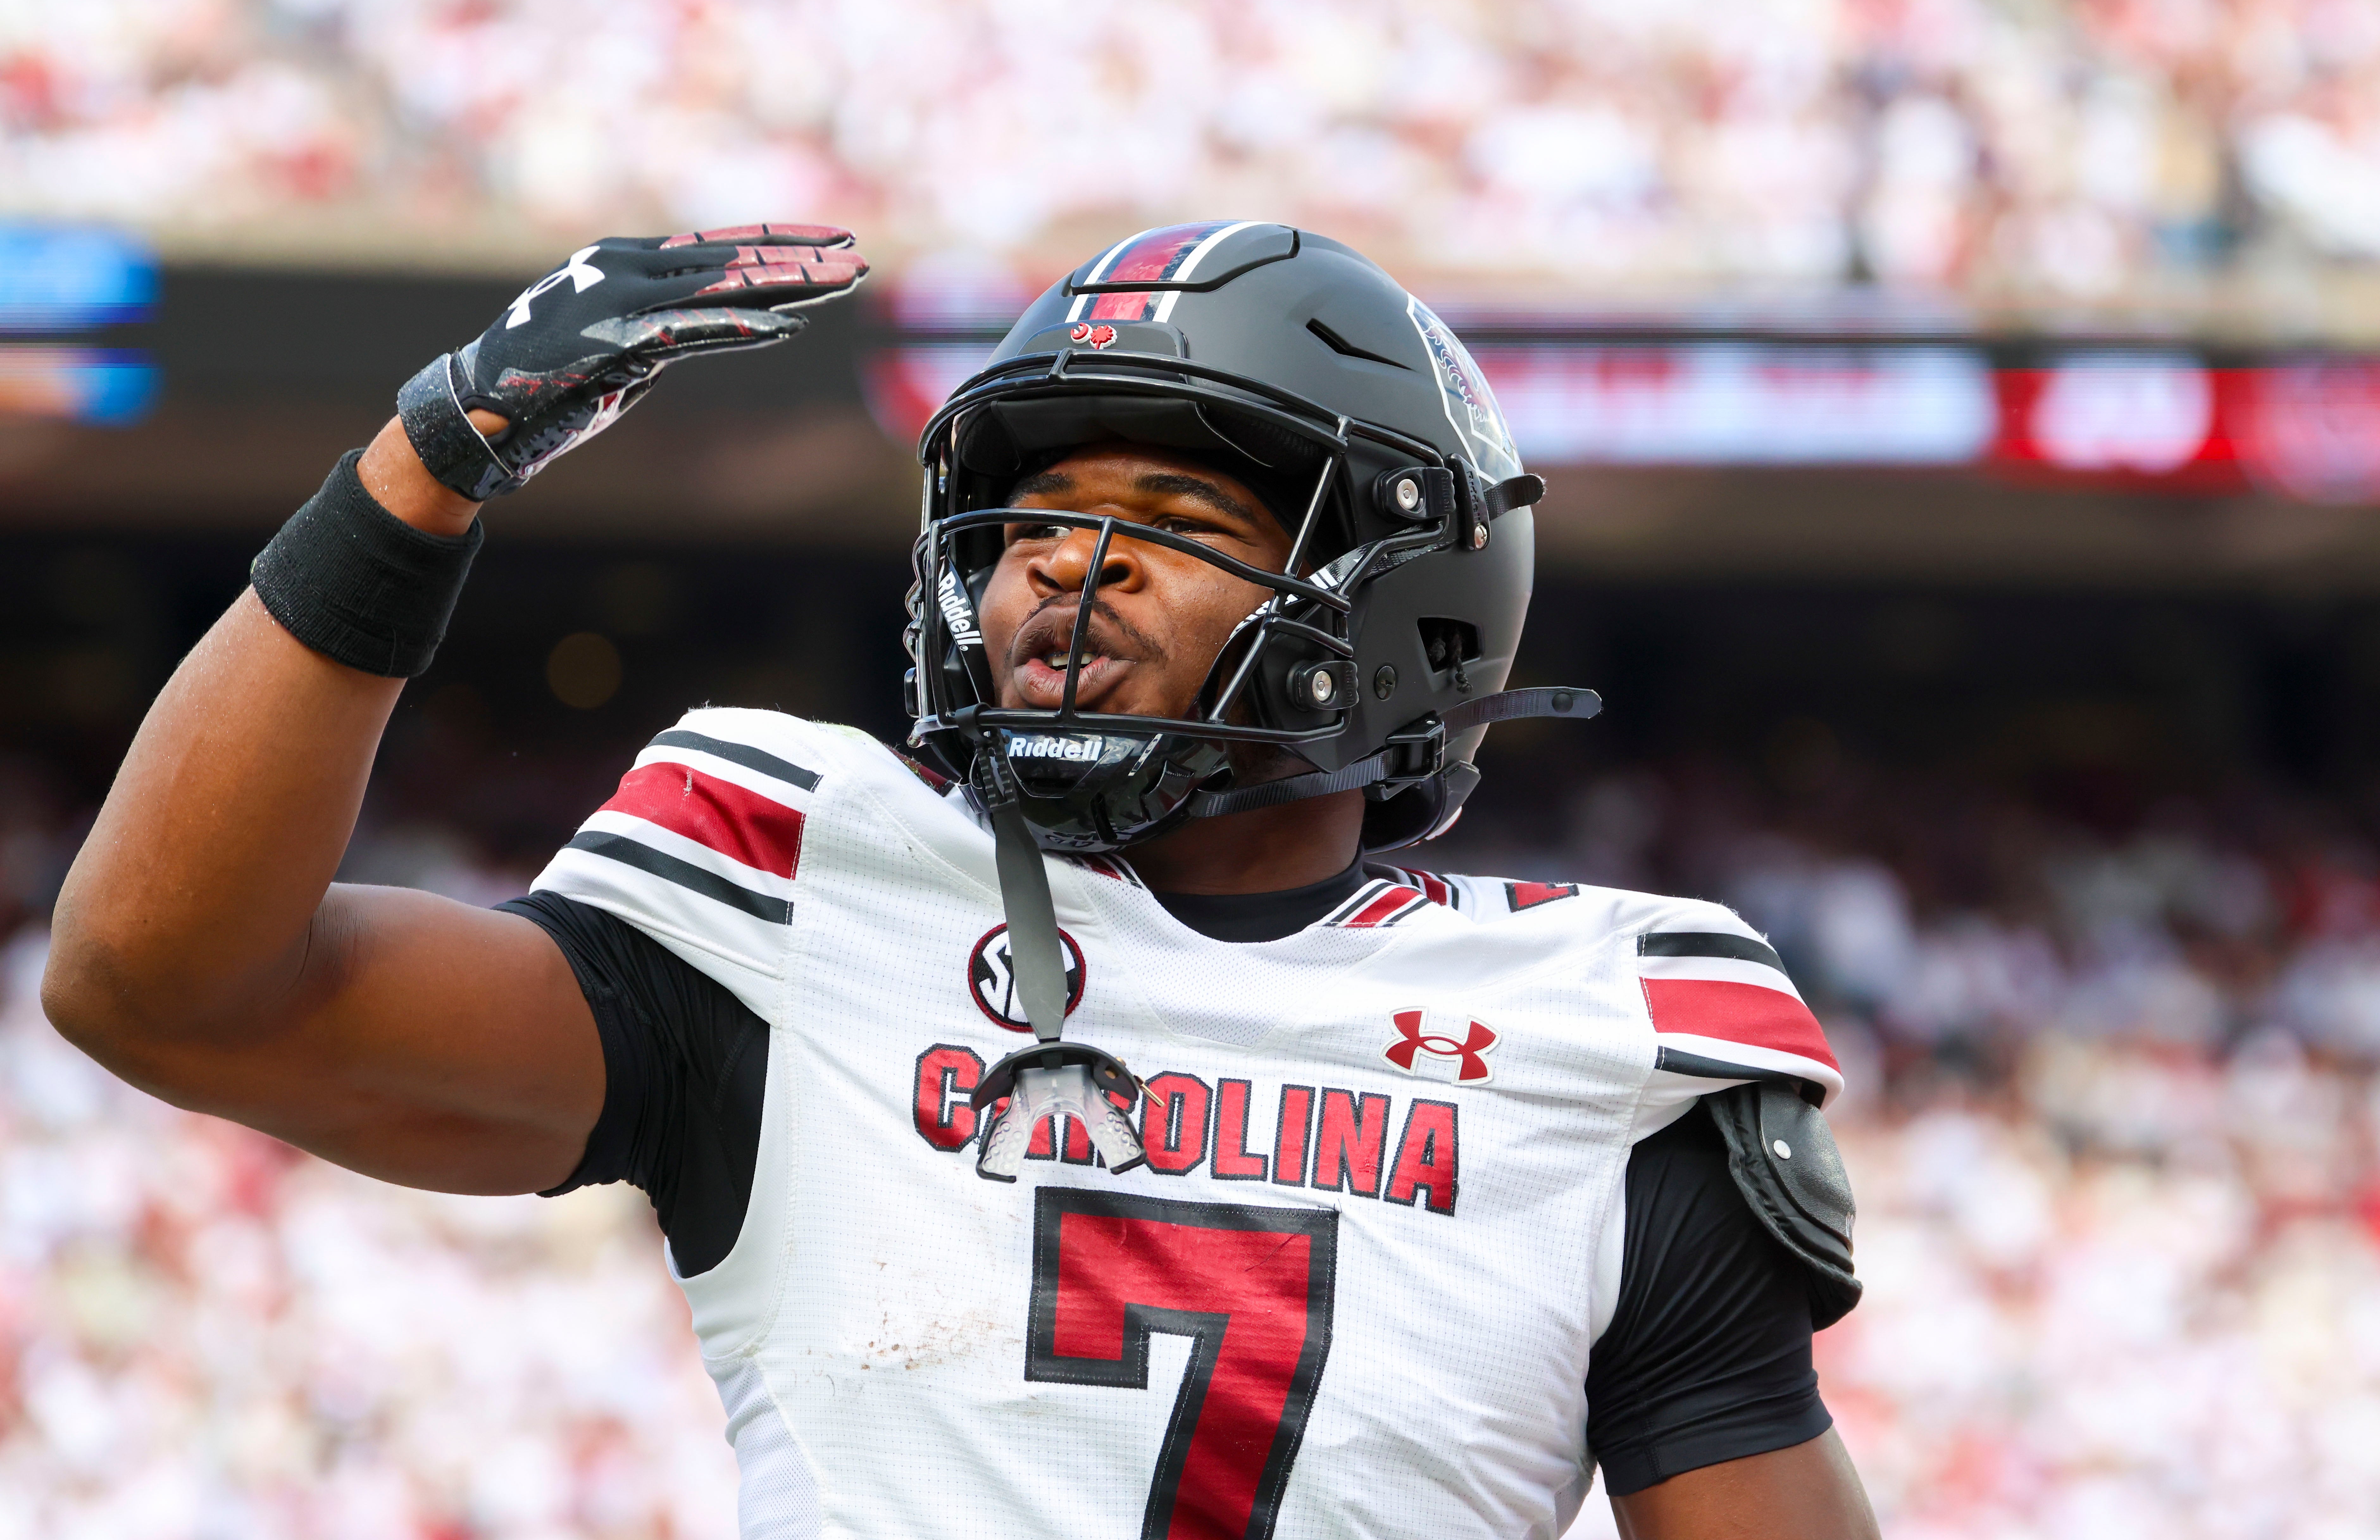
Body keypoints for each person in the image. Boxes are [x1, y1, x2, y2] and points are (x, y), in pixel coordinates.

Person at [44, 219, 1878, 1539]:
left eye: (1171, 528)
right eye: (1030, 525)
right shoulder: (806, 888)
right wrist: (424, 466)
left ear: (1406, 606)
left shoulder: (1592, 1036)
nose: (1064, 574)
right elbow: (163, 981)